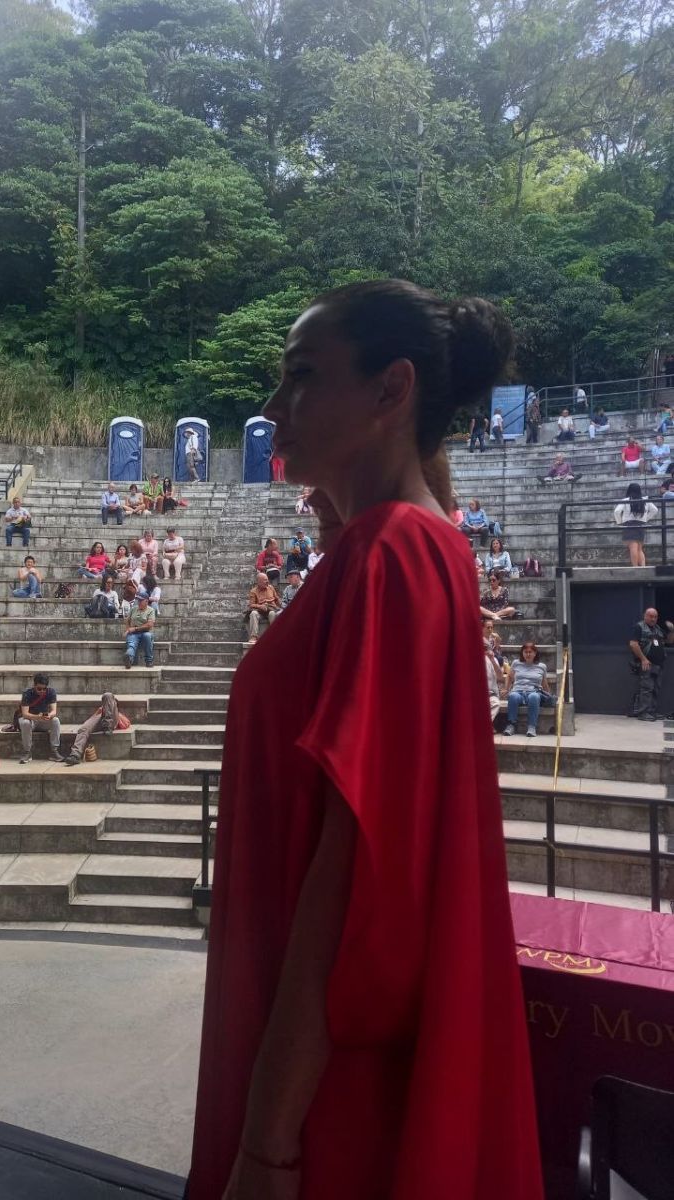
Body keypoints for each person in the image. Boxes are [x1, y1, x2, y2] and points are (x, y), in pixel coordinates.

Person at [189, 279, 542, 1200]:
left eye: (302, 375)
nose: (273, 407)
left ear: (393, 388)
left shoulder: (393, 553)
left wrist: (268, 1146)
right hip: (319, 1046)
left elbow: (348, 874)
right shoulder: (403, 544)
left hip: (320, 1084)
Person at [629, 607, 674, 721]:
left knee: (655, 689)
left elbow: (669, 641)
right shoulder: (639, 627)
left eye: (655, 617)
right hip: (647, 663)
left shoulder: (657, 629)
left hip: (658, 664)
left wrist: (672, 631)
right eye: (650, 616)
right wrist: (643, 659)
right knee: (646, 688)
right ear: (645, 616)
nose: (653, 619)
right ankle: (643, 713)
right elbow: (633, 644)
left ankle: (651, 711)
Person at [65, 692, 131, 766]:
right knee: (83, 729)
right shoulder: (100, 711)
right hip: (101, 720)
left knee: (108, 695)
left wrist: (115, 717)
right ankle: (75, 755)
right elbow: (89, 723)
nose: (107, 703)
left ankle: (107, 725)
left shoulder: (117, 714)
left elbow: (126, 723)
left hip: (111, 720)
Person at [503, 643, 548, 737]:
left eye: (530, 652)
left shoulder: (542, 666)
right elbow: (509, 677)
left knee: (534, 697)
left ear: (535, 653)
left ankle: (532, 727)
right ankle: (511, 725)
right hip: (518, 691)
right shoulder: (516, 663)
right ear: (522, 653)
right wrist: (506, 689)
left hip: (534, 691)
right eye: (525, 652)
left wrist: (548, 695)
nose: (528, 654)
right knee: (513, 696)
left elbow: (544, 683)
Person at [18, 673, 64, 764]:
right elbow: (25, 714)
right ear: (34, 685)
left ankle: (54, 751)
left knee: (55, 720)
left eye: (44, 689)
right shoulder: (27, 693)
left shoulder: (51, 692)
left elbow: (54, 711)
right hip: (31, 720)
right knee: (25, 722)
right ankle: (27, 752)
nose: (42, 691)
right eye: (39, 689)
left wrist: (49, 715)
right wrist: (37, 717)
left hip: (43, 720)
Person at [614, 482, 658, 568]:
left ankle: (635, 568)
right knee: (639, 549)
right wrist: (645, 519)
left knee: (633, 548)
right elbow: (655, 510)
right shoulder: (645, 500)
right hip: (641, 524)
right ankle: (643, 567)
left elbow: (617, 511)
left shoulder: (626, 500)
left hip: (629, 524)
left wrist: (619, 522)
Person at [245, 570, 281, 643]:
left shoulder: (271, 588)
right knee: (253, 613)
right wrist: (260, 606)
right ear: (259, 582)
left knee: (272, 614)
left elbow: (277, 599)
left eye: (267, 580)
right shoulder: (253, 591)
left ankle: (274, 636)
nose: (267, 582)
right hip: (260, 612)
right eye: (265, 580)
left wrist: (277, 604)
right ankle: (253, 637)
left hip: (271, 610)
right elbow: (251, 605)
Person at [124, 593, 155, 668]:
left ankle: (149, 661)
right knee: (131, 644)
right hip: (133, 633)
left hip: (146, 632)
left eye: (141, 600)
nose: (139, 602)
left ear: (146, 601)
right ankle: (129, 658)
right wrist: (128, 629)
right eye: (138, 600)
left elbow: (149, 625)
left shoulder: (151, 610)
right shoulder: (133, 609)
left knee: (147, 636)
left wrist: (135, 628)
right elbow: (127, 620)